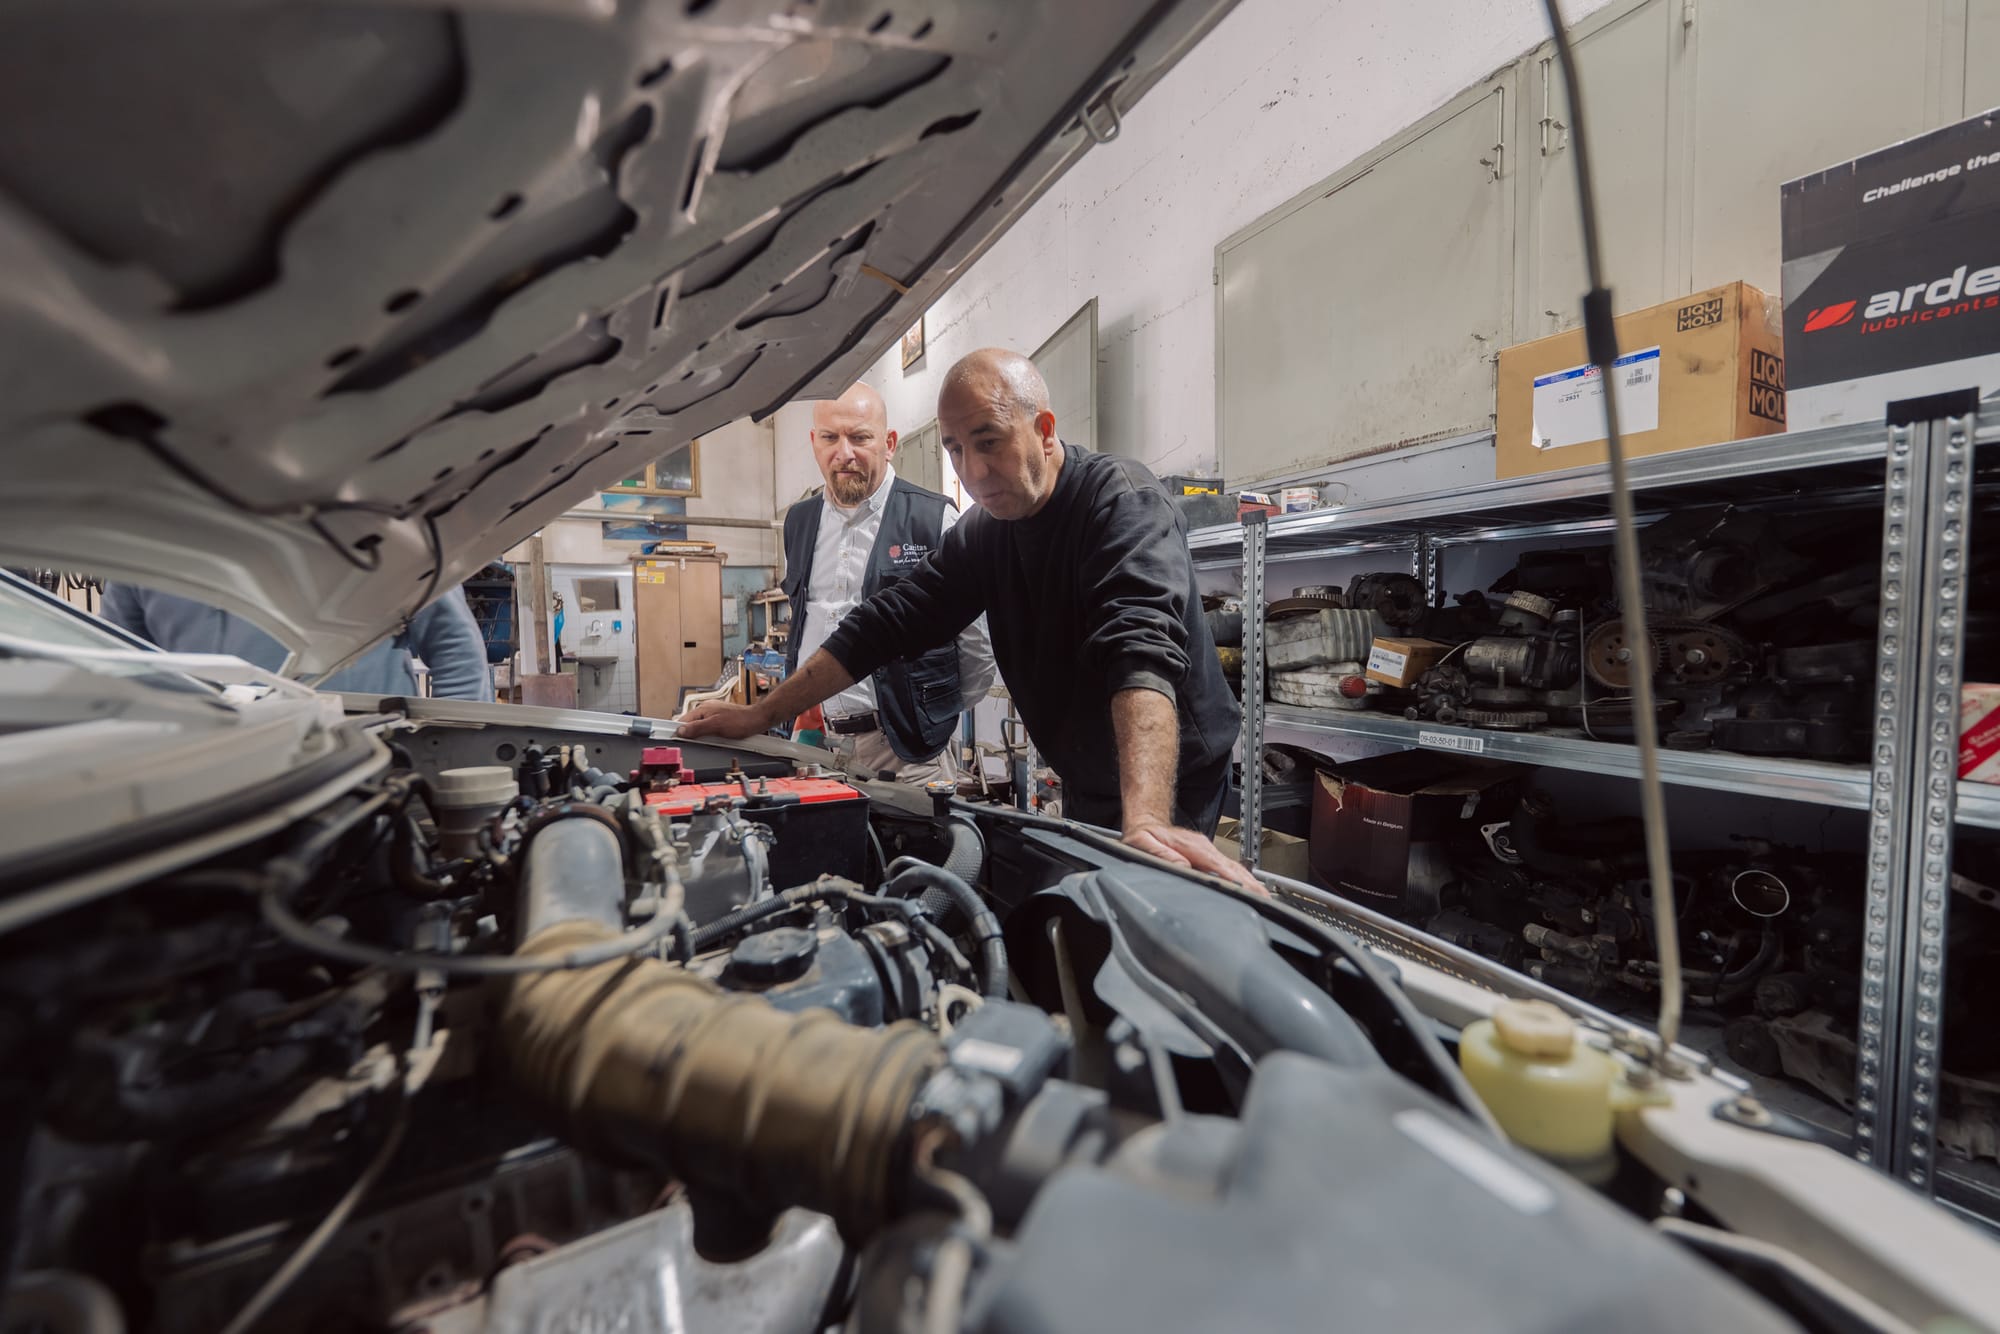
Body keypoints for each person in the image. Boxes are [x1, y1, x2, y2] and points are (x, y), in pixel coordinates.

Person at [682, 348, 1257, 892]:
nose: (973, 472)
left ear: (1045, 430)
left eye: (989, 442)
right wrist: (763, 713)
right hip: (1089, 768)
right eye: (955, 449)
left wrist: (1149, 818)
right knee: (1090, 903)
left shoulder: (1122, 502)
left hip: (1166, 773)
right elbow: (886, 622)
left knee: (1146, 905)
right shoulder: (986, 531)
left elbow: (1141, 655)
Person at [779, 381, 995, 784]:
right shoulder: (798, 522)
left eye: (859, 437)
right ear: (814, 442)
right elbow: (805, 624)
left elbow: (977, 647)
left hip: (907, 755)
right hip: (815, 742)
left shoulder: (934, 519)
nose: (844, 453)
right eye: (829, 437)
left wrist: (929, 717)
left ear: (889, 443)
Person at [100, 583, 495, 701]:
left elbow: (456, 650)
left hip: (367, 757)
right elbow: (119, 668)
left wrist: (456, 763)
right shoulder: (142, 554)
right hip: (210, 765)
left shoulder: (370, 530)